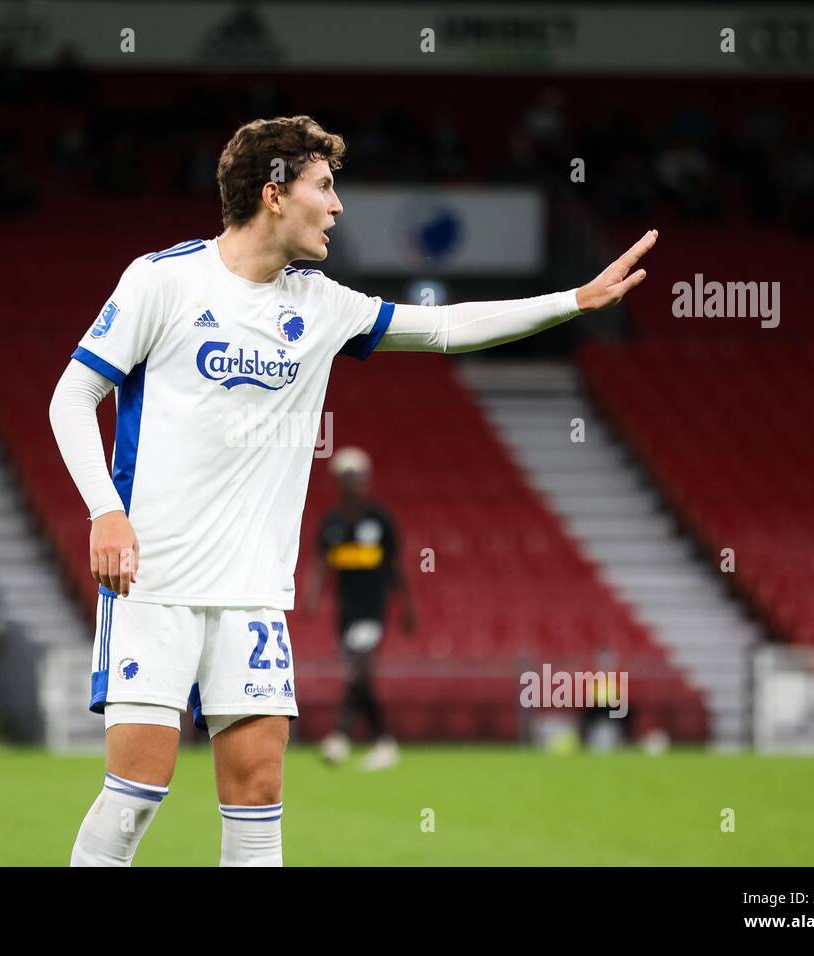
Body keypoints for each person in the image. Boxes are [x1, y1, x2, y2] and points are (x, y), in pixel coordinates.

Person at [49, 115, 655, 866]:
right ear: (275, 194)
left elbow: (443, 328)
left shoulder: (323, 304)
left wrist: (571, 301)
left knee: (259, 805)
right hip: (155, 582)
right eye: (324, 187)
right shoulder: (163, 281)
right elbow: (71, 399)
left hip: (252, 594)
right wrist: (106, 513)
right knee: (137, 800)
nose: (337, 207)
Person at [305, 447, 414, 770]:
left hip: (373, 608)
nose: (356, 483)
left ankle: (339, 736)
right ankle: (383, 741)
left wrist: (408, 606)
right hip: (346, 611)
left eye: (360, 477)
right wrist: (313, 594)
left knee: (360, 668)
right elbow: (321, 563)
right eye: (349, 477)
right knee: (359, 676)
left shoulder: (379, 520)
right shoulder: (333, 523)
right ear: (339, 482)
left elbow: (396, 565)